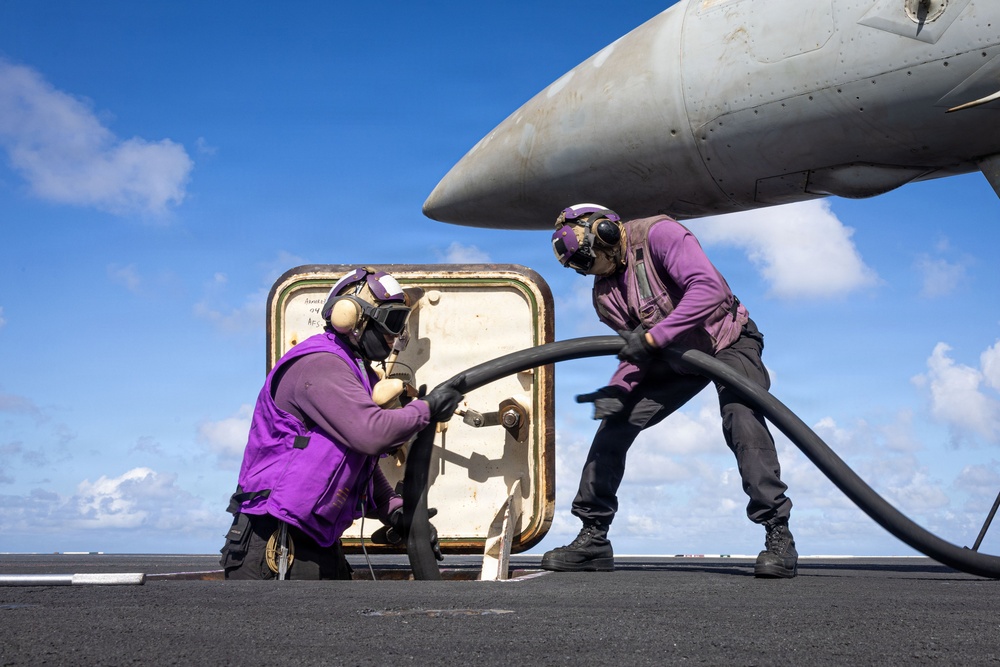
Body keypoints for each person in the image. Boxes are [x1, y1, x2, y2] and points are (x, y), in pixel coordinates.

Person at [544, 203, 797, 578]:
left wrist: (653, 338)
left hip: (727, 342)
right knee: (615, 425)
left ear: (605, 233)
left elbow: (708, 289)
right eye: (581, 268)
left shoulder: (659, 235)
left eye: (589, 260)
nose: (590, 273)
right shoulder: (604, 296)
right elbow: (635, 351)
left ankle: (778, 534)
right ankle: (593, 537)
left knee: (741, 417)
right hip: (675, 360)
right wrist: (617, 388)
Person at [220, 267, 463, 579]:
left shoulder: (354, 369)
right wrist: (428, 408)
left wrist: (393, 509)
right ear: (353, 317)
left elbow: (353, 459)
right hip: (276, 542)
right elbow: (371, 433)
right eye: (392, 321)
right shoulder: (321, 364)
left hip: (314, 540)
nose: (395, 336)